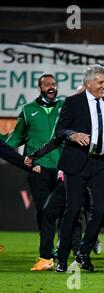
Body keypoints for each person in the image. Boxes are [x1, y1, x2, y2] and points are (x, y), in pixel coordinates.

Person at [53, 64, 104, 273]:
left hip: (100, 163)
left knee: (100, 210)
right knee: (72, 210)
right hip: (77, 161)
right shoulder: (73, 102)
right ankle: (62, 257)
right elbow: (60, 130)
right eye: (100, 82)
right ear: (88, 83)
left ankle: (83, 252)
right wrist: (73, 135)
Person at [6, 74, 64, 231]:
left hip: (61, 168)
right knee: (43, 208)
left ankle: (66, 243)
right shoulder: (28, 110)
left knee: (66, 209)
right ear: (39, 89)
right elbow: (15, 138)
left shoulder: (64, 107)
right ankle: (48, 247)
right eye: (47, 84)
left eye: (53, 84)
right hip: (38, 169)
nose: (51, 87)